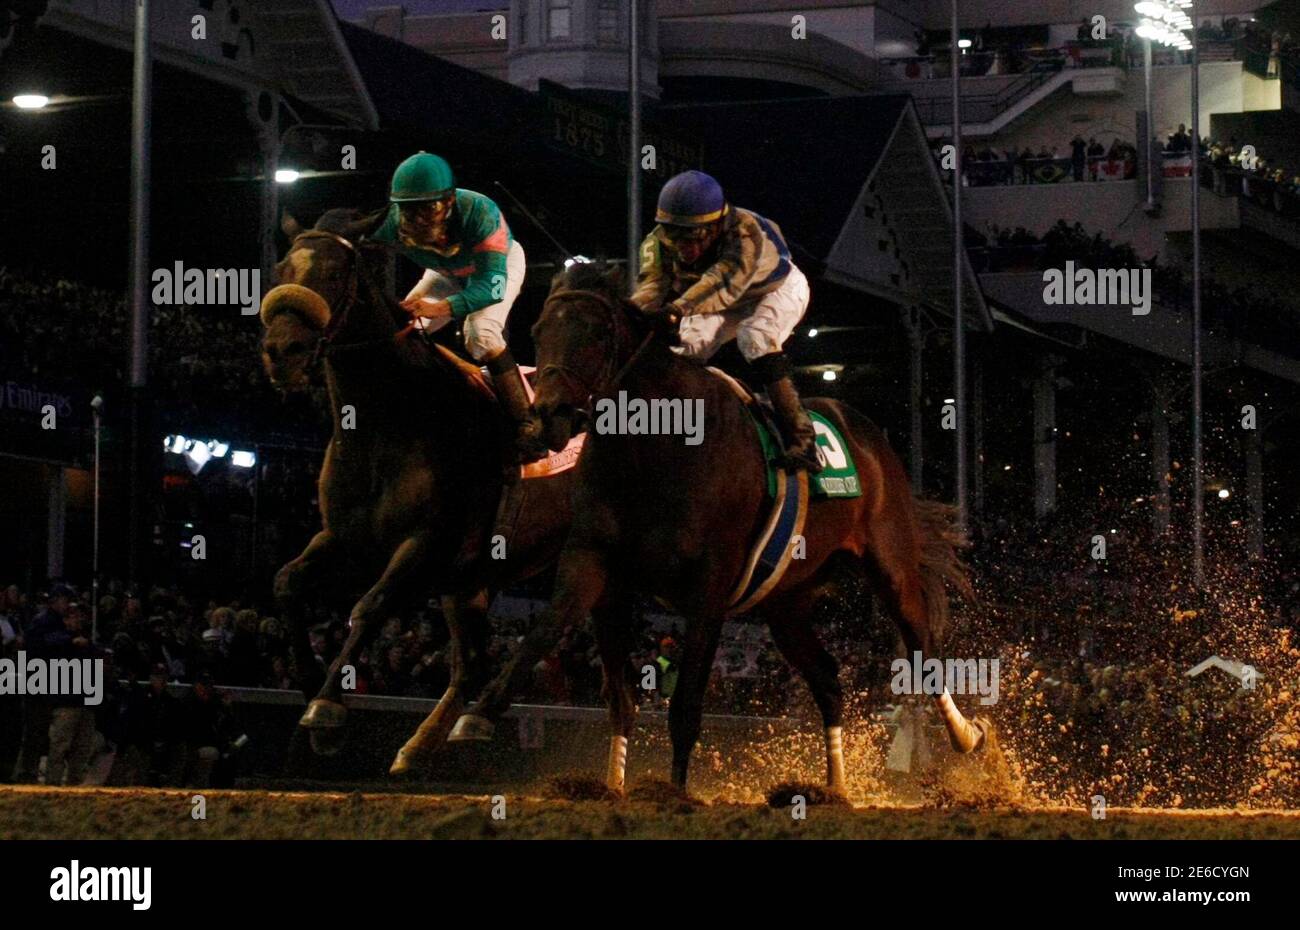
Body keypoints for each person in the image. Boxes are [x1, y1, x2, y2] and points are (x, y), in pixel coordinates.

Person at [630, 170, 822, 472]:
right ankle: (665, 426)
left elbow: (721, 283)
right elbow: (651, 286)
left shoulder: (746, 233)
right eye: (676, 235)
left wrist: (676, 310)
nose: (685, 247)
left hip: (776, 289)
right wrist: (632, 313)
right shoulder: (656, 242)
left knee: (755, 337)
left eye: (695, 236)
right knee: (684, 346)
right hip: (721, 296)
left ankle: (803, 438)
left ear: (718, 223)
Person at [370, 152, 547, 463]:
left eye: (427, 209)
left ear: (450, 200)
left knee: (480, 332)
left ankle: (528, 426)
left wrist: (438, 309)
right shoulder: (390, 222)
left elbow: (490, 289)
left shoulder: (481, 212)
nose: (417, 220)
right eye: (408, 211)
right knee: (403, 330)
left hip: (496, 266)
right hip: (446, 271)